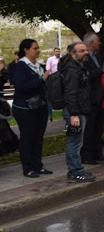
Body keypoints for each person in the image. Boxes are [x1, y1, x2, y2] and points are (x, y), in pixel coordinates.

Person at [11, 39, 52, 178]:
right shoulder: (20, 67)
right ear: (26, 50)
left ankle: (37, 166)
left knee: (38, 137)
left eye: (38, 47)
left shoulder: (38, 66)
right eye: (35, 48)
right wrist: (42, 79)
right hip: (25, 108)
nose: (38, 50)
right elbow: (21, 86)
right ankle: (27, 168)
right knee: (28, 138)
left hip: (39, 107)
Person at [61, 42, 96, 182]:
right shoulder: (72, 70)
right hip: (75, 112)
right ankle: (75, 172)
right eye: (82, 51)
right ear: (73, 54)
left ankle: (76, 170)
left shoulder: (78, 67)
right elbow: (70, 93)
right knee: (75, 143)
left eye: (86, 50)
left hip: (80, 110)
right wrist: (74, 114)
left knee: (77, 143)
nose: (86, 52)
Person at [81, 33, 104, 165]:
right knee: (89, 128)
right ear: (91, 43)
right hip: (90, 98)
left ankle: (97, 152)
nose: (99, 44)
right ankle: (87, 155)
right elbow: (86, 75)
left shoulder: (97, 57)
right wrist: (100, 71)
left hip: (100, 97)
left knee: (98, 127)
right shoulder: (84, 58)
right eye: (98, 41)